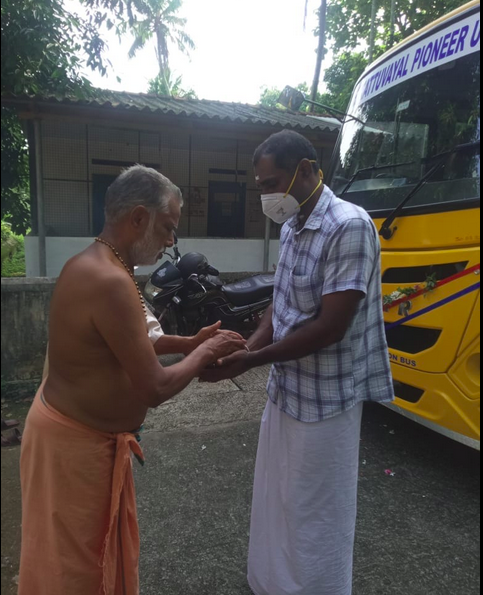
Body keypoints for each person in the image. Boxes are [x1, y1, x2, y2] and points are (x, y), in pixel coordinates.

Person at [18, 165, 245, 595]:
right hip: (74, 448)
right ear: (139, 218)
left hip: (72, 436)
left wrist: (189, 341)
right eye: (168, 227)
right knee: (76, 573)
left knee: (81, 563)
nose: (171, 241)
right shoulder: (109, 280)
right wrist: (205, 352)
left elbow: (131, 340)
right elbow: (154, 388)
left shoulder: (100, 263)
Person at [202, 131, 394, 595]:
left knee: (316, 512)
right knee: (279, 496)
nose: (267, 196)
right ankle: (272, 583)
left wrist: (251, 361)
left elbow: (330, 327)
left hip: (326, 400)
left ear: (305, 170)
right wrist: (247, 346)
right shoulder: (291, 225)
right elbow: (281, 301)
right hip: (287, 390)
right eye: (261, 186)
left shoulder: (349, 226)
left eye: (272, 183)